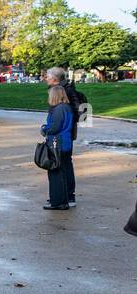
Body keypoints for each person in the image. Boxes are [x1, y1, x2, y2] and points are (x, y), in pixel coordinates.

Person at [45, 67, 84, 207]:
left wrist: (59, 127)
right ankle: (62, 195)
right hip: (64, 135)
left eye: (47, 77)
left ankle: (67, 196)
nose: (46, 79)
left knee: (63, 166)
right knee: (63, 165)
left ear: (55, 78)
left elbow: (75, 111)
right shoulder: (62, 90)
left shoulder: (64, 92)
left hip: (62, 136)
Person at [41, 84, 74, 211]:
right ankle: (62, 199)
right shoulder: (66, 107)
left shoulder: (59, 109)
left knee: (55, 173)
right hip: (65, 143)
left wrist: (44, 129)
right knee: (62, 172)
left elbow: (55, 127)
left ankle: (58, 201)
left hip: (57, 143)